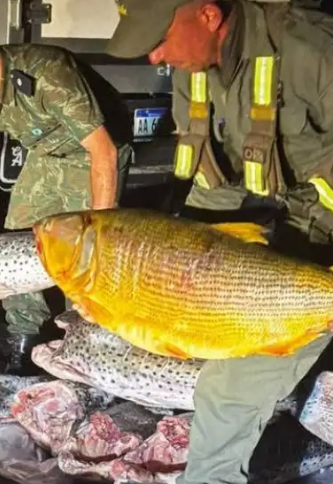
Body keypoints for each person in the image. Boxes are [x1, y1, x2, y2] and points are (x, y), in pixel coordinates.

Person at [106, 0, 333, 482]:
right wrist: (180, 259)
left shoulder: (312, 49)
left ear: (208, 15)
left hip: (319, 249)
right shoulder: (194, 71)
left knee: (226, 393)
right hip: (277, 235)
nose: (154, 57)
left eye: (160, 39)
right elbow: (215, 184)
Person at [0, 17, 134, 372]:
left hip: (93, 154)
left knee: (81, 250)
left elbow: (103, 152)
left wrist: (98, 229)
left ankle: (86, 350)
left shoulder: (49, 74)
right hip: (46, 153)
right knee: (18, 239)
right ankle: (23, 340)